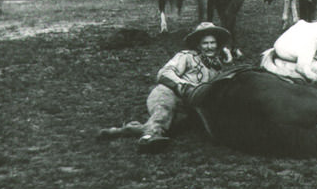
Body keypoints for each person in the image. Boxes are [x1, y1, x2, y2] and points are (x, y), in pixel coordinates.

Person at [99, 22, 234, 153]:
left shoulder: (216, 67)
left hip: (188, 104)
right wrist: (184, 87)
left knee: (172, 126)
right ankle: (148, 139)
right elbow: (164, 73)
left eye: (212, 43)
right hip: (168, 93)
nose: (209, 47)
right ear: (198, 45)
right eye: (205, 43)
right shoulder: (186, 56)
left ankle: (125, 130)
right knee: (163, 112)